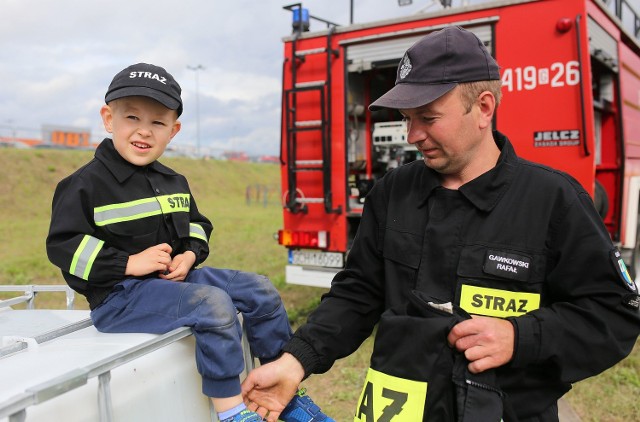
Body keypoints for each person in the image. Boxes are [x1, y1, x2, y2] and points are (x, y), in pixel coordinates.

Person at [241, 26, 640, 422]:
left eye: (429, 118)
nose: (413, 135)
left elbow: (611, 314)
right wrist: (297, 360)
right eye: (406, 118)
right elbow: (358, 293)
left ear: (484, 107)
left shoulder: (553, 201)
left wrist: (521, 337)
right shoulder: (392, 193)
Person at [46, 62, 334, 422]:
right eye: (132, 117)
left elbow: (198, 225)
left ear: (174, 130)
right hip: (118, 299)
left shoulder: (173, 180)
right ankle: (233, 413)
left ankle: (281, 395)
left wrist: (188, 255)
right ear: (108, 119)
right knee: (212, 303)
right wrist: (127, 264)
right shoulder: (84, 184)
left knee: (260, 289)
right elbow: (63, 245)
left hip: (174, 281)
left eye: (157, 122)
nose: (144, 131)